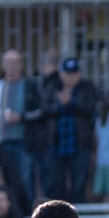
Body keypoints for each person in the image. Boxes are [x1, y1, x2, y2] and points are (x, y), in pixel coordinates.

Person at [0, 49, 43, 207]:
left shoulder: (30, 86)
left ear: (21, 65)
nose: (12, 66)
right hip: (1, 143)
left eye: (15, 62)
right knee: (3, 180)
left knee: (26, 180)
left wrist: (21, 117)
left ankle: (28, 214)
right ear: (2, 65)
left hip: (24, 143)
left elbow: (41, 111)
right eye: (8, 63)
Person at [40, 58, 97, 202]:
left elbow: (91, 109)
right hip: (55, 145)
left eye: (74, 73)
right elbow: (45, 110)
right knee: (55, 185)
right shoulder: (52, 87)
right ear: (60, 74)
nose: (71, 77)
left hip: (79, 145)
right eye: (67, 73)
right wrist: (60, 105)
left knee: (79, 185)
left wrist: (71, 103)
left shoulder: (87, 88)